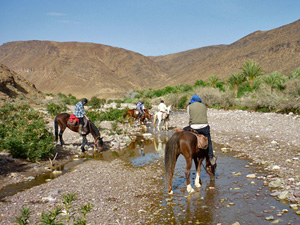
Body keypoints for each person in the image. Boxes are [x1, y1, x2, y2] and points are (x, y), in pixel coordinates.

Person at [183, 94, 216, 166]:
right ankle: (211, 157)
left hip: (194, 127)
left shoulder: (189, 107)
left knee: (183, 130)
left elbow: (189, 117)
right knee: (209, 140)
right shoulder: (204, 106)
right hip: (204, 127)